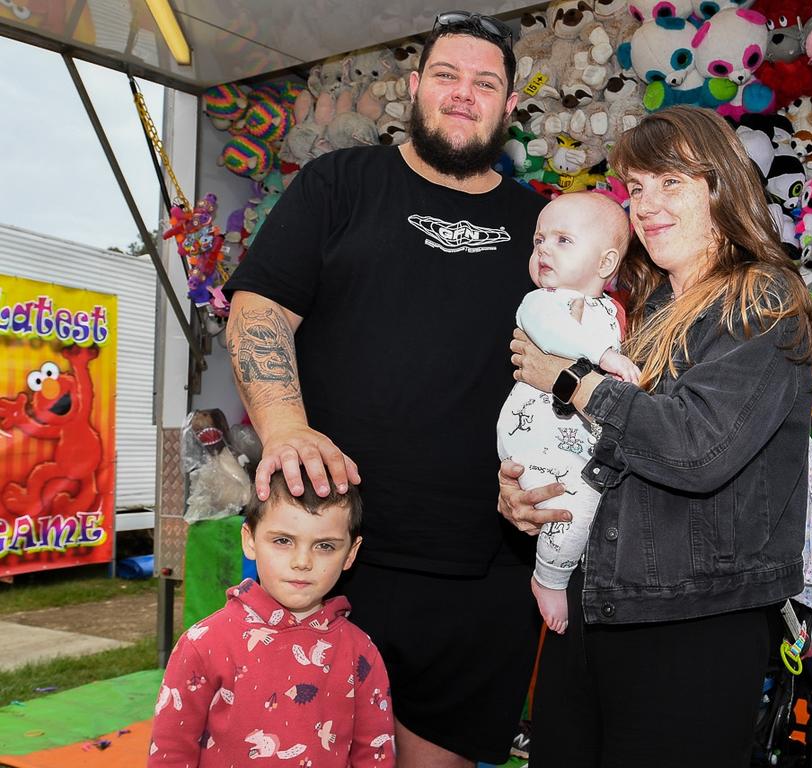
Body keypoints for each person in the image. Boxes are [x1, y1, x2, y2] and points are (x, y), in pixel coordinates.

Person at [223, 11, 545, 767]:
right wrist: (285, 430)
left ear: (509, 105)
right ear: (414, 87)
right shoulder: (340, 183)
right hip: (331, 555)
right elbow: (260, 306)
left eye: (484, 83)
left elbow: (582, 364)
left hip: (483, 568)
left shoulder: (542, 227)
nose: (463, 95)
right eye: (446, 75)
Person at [499, 105, 812, 767]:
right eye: (637, 188)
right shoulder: (637, 311)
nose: (646, 205)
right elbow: (604, 454)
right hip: (595, 605)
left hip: (694, 622)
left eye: (669, 182)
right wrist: (527, 497)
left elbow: (695, 449)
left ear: (723, 186)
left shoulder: (763, 299)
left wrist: (571, 381)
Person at [148, 469, 395, 767]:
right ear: (249, 539)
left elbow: (374, 753)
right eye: (283, 541)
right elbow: (171, 752)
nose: (302, 562)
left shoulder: (361, 652)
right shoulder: (203, 644)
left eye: (325, 546)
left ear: (350, 553)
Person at [497, 192, 636, 634]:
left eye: (562, 240)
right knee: (576, 504)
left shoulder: (613, 312)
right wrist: (603, 356)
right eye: (539, 240)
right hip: (537, 434)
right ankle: (550, 579)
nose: (543, 250)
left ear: (605, 262)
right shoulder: (543, 302)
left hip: (577, 437)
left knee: (598, 506)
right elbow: (552, 333)